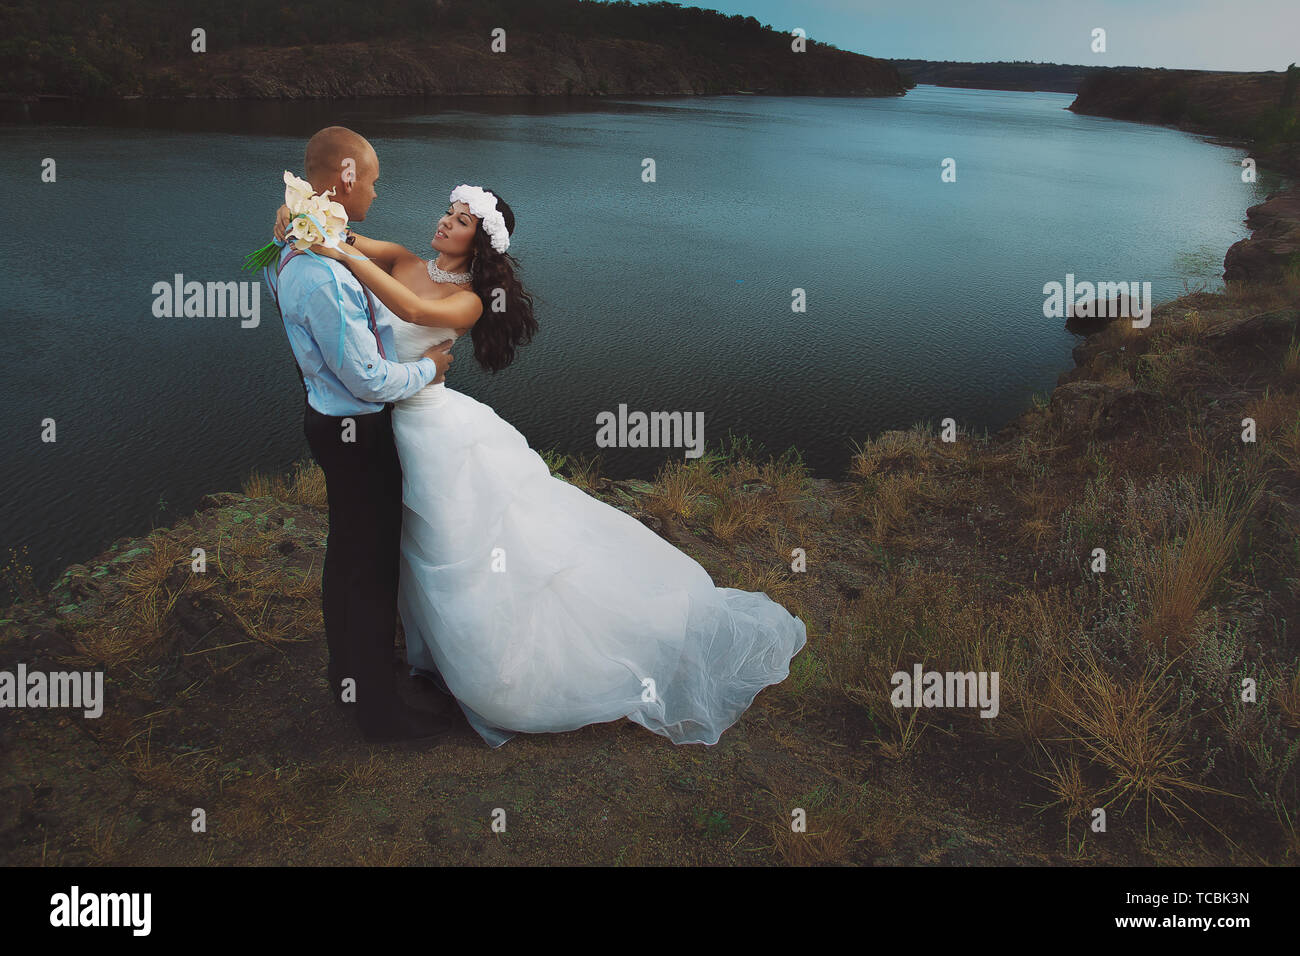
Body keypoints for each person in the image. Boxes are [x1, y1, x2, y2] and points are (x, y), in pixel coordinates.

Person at [273, 182, 807, 748]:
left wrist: (342, 255)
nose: (444, 224)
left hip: (429, 424)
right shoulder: (405, 258)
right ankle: (421, 654)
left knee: (463, 545)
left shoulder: (472, 299)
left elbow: (411, 309)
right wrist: (303, 220)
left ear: (478, 244)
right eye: (447, 214)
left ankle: (497, 663)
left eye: (459, 222)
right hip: (389, 420)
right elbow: (349, 235)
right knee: (411, 545)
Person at [264, 126, 458, 743]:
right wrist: (431, 368)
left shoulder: (297, 245)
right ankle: (380, 711)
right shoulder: (320, 272)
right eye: (371, 179)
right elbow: (369, 378)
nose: (376, 190)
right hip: (356, 432)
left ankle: (346, 673)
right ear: (345, 176)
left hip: (326, 420)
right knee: (372, 569)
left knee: (346, 554)